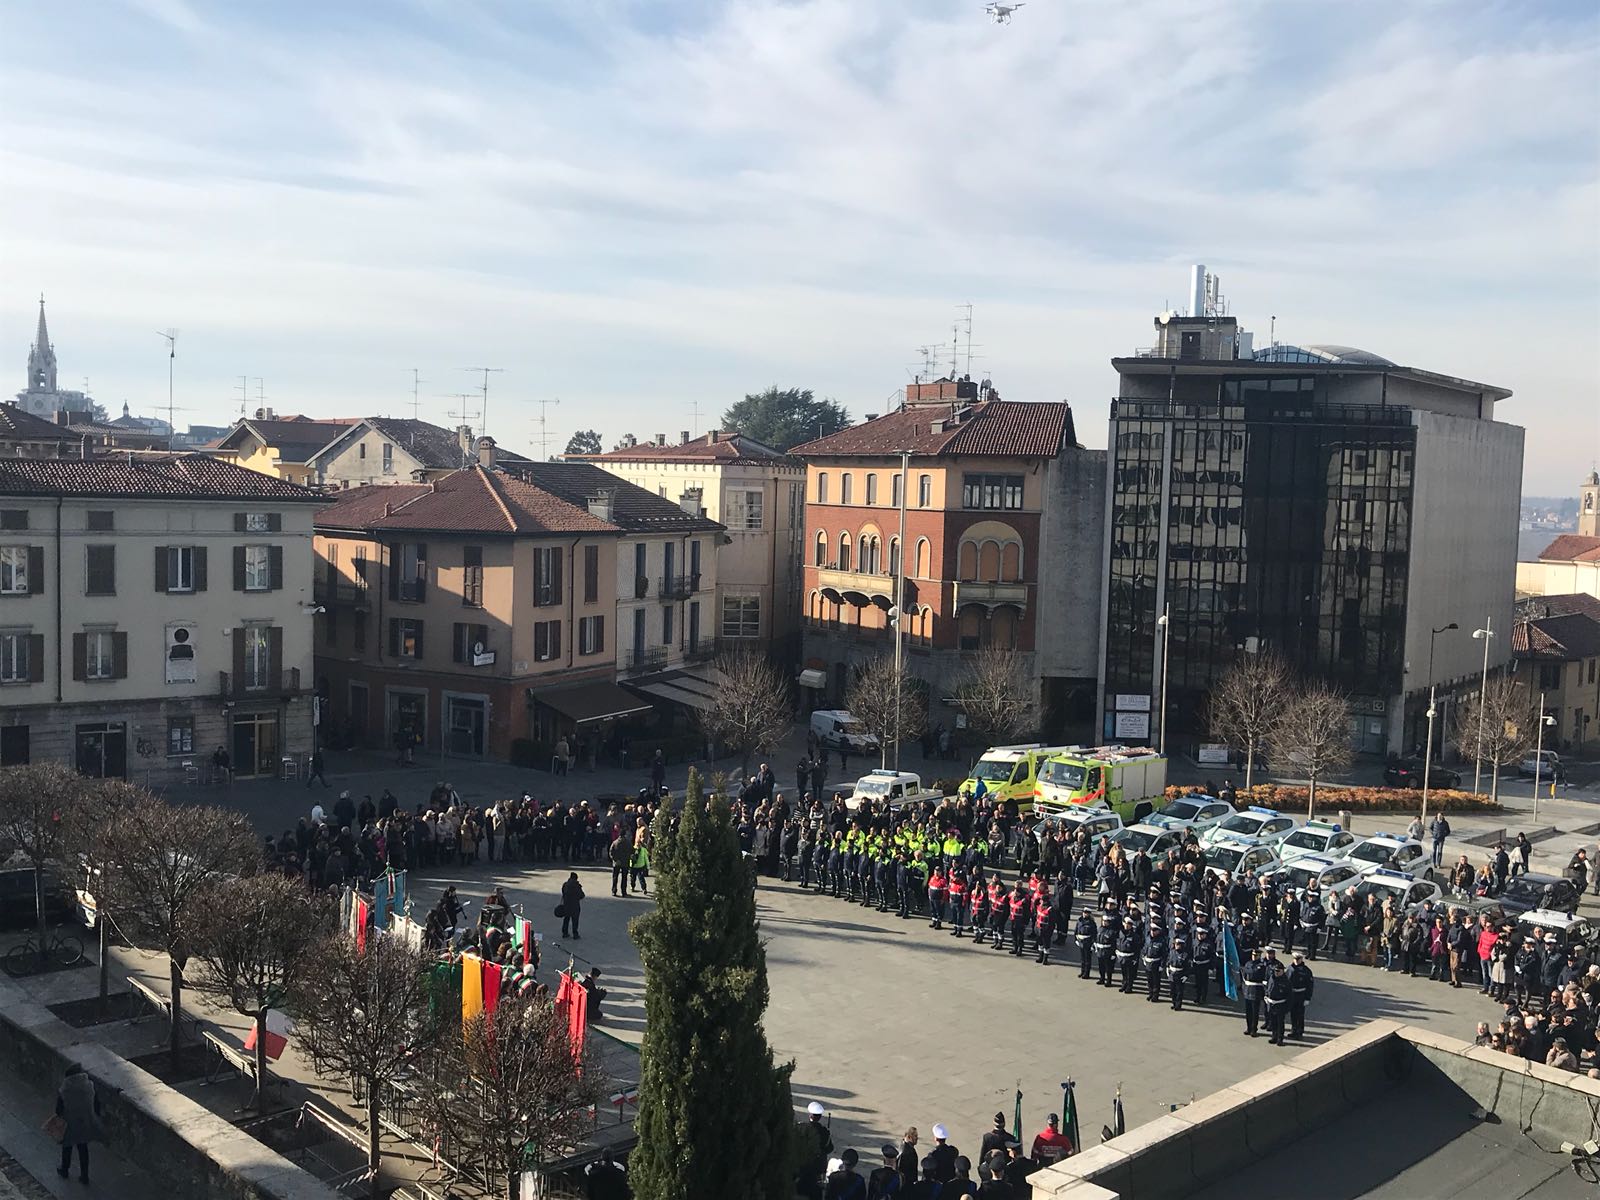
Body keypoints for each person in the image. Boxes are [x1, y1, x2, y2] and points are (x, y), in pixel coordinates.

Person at [55, 1064, 101, 1183]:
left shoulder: (64, 1090)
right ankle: (84, 1175)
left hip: (69, 1122)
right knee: (83, 1148)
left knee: (67, 1147)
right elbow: (96, 1104)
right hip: (84, 1121)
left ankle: (65, 1170)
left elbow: (58, 1110)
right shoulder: (89, 1086)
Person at [798, 1101, 834, 1200]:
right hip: (817, 1168)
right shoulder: (824, 1132)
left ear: (810, 1114)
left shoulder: (800, 1127)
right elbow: (829, 1148)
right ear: (820, 1117)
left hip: (801, 1166)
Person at [1263, 951, 1290, 1045]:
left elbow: (1289, 996)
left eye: (1278, 971)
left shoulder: (1286, 982)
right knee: (1273, 1022)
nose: (1277, 973)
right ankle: (1274, 1036)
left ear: (1282, 971)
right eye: (1275, 971)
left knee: (1280, 1023)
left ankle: (1280, 1039)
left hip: (1280, 1005)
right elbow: (1268, 988)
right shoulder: (1272, 978)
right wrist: (1266, 996)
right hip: (1271, 1004)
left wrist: (1286, 1008)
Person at [1288, 950, 1315, 1040]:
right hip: (1292, 994)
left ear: (1301, 959)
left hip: (1301, 995)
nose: (1296, 961)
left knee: (1300, 1014)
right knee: (1293, 1014)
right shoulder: (1289, 969)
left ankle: (1299, 1032)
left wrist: (1308, 998)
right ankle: (1293, 1030)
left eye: (1298, 959)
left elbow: (1310, 986)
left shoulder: (1306, 971)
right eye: (1295, 959)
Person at [1241, 947, 1267, 1037]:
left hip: (1256, 990)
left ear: (1259, 956)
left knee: (1255, 1011)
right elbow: (1244, 977)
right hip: (1248, 989)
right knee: (1248, 1012)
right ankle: (1248, 1028)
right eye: (1253, 955)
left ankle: (1254, 1029)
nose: (1254, 957)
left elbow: (1253, 973)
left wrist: (1243, 969)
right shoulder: (1248, 963)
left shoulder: (1261, 965)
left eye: (1256, 955)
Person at [560, 872, 585, 939]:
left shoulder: (565, 885)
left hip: (567, 905)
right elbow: (582, 895)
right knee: (575, 920)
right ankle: (575, 934)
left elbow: (563, 892)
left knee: (566, 919)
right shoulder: (577, 886)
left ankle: (565, 933)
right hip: (575, 906)